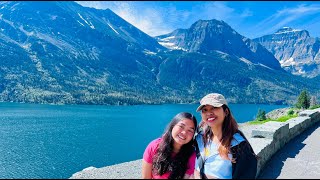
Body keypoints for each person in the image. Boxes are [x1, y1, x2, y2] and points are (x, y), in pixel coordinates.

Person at [194, 93, 258, 179]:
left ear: (226, 112)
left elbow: (247, 175)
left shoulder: (238, 144)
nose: (209, 113)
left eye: (214, 107)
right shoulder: (199, 138)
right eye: (204, 110)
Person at [142, 112, 198, 179]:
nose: (184, 132)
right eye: (181, 126)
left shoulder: (192, 156)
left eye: (190, 130)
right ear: (172, 126)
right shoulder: (155, 146)